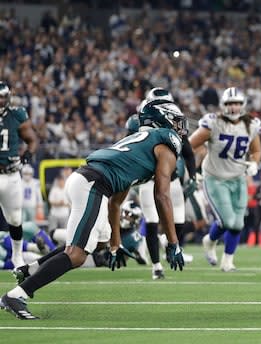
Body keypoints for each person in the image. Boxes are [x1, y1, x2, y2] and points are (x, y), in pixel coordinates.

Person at [0, 99, 186, 320]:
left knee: (98, 241)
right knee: (77, 255)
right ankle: (16, 295)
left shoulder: (137, 146)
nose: (179, 127)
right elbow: (162, 194)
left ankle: (30, 269)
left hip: (87, 181)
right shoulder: (165, 142)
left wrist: (115, 244)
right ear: (161, 120)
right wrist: (173, 243)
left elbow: (116, 203)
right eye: (175, 121)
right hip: (93, 185)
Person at [189, 87, 261, 272]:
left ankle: (228, 261)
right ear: (223, 105)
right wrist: (193, 169)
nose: (234, 107)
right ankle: (210, 240)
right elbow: (189, 146)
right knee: (227, 221)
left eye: (237, 103)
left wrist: (254, 163)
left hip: (238, 178)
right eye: (230, 104)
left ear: (243, 105)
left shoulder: (250, 124)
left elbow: (256, 150)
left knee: (238, 224)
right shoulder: (214, 123)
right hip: (215, 177)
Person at [127, 87, 197, 280]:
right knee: (151, 221)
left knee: (179, 223)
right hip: (149, 182)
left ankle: (169, 244)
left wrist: (193, 177)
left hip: (172, 180)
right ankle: (156, 266)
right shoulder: (138, 125)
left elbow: (189, 152)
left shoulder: (175, 125)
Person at [0, 81, 38, 268]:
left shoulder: (16, 114)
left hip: (10, 174)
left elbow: (31, 139)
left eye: (2, 97)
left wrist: (27, 155)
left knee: (15, 218)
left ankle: (17, 256)